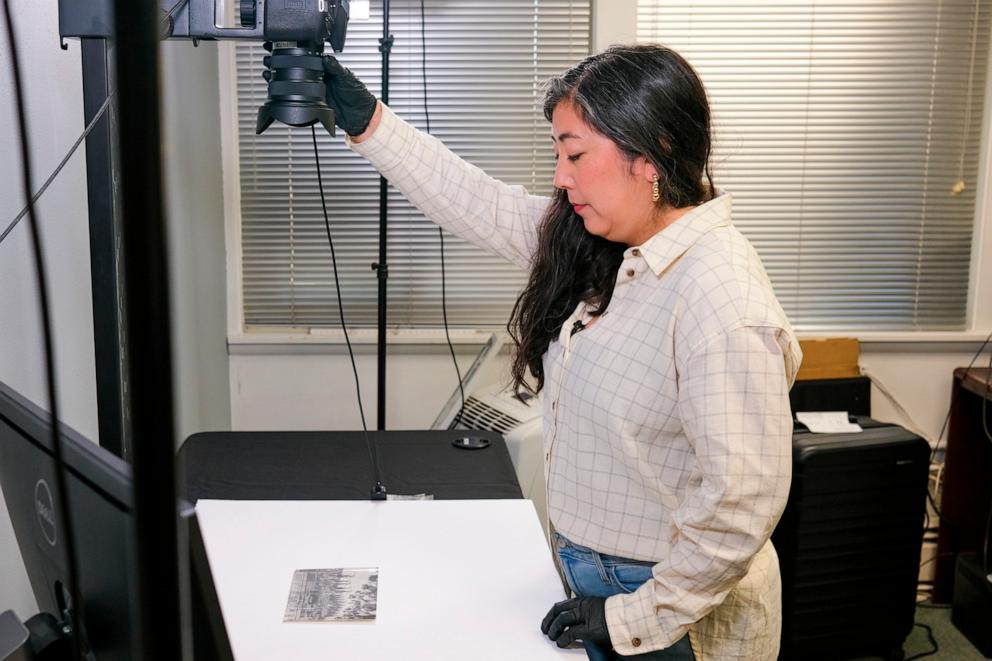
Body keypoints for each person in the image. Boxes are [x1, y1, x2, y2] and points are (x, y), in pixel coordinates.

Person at [317, 44, 801, 660]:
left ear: (652, 155)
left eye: (575, 154)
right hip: (591, 576)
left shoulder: (719, 294)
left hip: (669, 604)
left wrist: (632, 616)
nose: (560, 175)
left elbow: (742, 503)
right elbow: (475, 201)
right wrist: (368, 122)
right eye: (558, 154)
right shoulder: (605, 243)